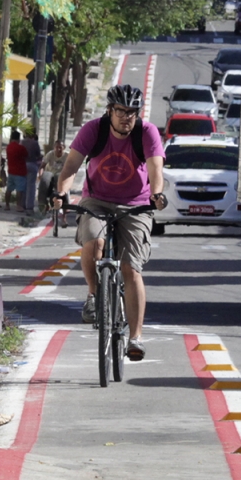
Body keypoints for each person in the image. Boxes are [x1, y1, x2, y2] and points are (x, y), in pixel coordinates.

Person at [54, 84, 168, 362]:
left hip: (136, 204)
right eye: (120, 111)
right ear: (109, 110)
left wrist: (156, 195)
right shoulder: (94, 130)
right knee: (93, 239)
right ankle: (93, 295)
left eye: (131, 112)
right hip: (97, 199)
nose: (126, 117)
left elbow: (155, 169)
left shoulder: (147, 132)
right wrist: (61, 193)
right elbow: (70, 167)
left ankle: (136, 338)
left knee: (131, 269)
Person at [41, 140, 70, 227]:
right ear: (54, 148)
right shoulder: (50, 154)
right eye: (56, 147)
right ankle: (45, 205)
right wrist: (40, 175)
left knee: (66, 194)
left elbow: (72, 167)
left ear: (63, 148)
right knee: (44, 190)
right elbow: (42, 166)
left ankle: (64, 218)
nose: (58, 149)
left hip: (62, 178)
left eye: (60, 147)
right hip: (50, 177)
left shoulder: (67, 155)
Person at [5, 131, 28, 212]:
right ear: (19, 139)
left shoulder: (8, 147)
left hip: (11, 170)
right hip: (20, 171)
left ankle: (7, 205)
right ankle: (18, 206)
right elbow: (26, 155)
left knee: (9, 189)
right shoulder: (21, 148)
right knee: (19, 190)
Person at [23, 131, 43, 215]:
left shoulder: (22, 142)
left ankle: (22, 204)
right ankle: (29, 207)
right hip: (32, 164)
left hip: (22, 165)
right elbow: (38, 155)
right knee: (31, 187)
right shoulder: (35, 143)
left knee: (23, 185)